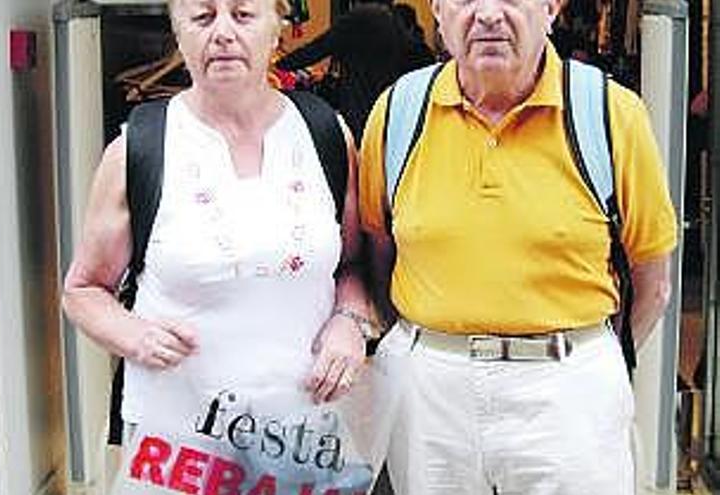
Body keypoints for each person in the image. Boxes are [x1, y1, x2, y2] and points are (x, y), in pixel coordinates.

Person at [358, 0, 678, 491]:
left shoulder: (611, 114)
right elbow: (379, 252)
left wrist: (582, 355)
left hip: (567, 393)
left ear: (551, 8)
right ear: (438, 11)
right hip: (430, 397)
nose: (487, 14)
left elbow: (652, 284)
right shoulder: (399, 111)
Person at [62, 0, 376, 488]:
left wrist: (350, 323)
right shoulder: (141, 147)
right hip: (180, 442)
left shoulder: (324, 135)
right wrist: (134, 335)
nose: (223, 33)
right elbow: (82, 290)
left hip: (301, 434)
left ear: (277, 29)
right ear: (178, 34)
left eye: (243, 15)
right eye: (203, 17)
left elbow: (352, 266)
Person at [276, 0, 433, 143]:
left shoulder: (357, 20)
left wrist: (280, 65)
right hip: (389, 109)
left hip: (359, 108)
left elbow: (317, 49)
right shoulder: (394, 21)